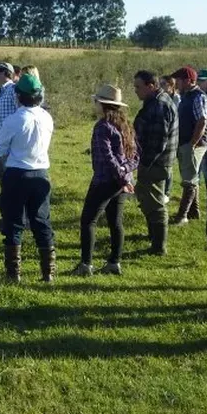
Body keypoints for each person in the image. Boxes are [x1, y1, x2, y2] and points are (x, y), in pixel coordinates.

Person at [71, 85, 139, 276]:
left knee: (88, 221)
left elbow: (109, 159)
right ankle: (114, 262)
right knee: (115, 222)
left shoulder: (102, 127)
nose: (94, 105)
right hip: (121, 182)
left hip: (105, 181)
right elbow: (136, 157)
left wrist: (120, 176)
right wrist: (126, 176)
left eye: (96, 101)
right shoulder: (126, 125)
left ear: (102, 104)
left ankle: (86, 265)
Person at [0, 74, 55, 284]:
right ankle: (48, 273)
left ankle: (14, 274)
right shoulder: (47, 117)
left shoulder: (14, 119)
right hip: (41, 174)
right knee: (42, 222)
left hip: (17, 173)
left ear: (18, 96)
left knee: (13, 222)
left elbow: (0, 148)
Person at [132, 71, 178, 255]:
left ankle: (159, 246)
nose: (135, 91)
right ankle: (153, 236)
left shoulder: (159, 105)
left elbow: (158, 142)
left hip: (155, 163)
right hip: (154, 162)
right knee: (147, 198)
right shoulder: (156, 101)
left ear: (151, 86)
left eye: (138, 87)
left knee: (156, 203)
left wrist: (144, 163)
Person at [171, 66, 207, 225]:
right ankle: (194, 212)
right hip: (187, 142)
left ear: (188, 80)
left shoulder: (197, 97)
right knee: (191, 177)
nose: (176, 83)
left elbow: (202, 121)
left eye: (179, 80)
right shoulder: (186, 96)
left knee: (189, 181)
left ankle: (182, 216)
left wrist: (192, 144)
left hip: (194, 144)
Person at [158, 74, 180, 201]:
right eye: (160, 84)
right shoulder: (162, 98)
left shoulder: (176, 99)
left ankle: (166, 192)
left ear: (172, 86)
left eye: (164, 84)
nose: (161, 87)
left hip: (174, 134)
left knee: (169, 166)